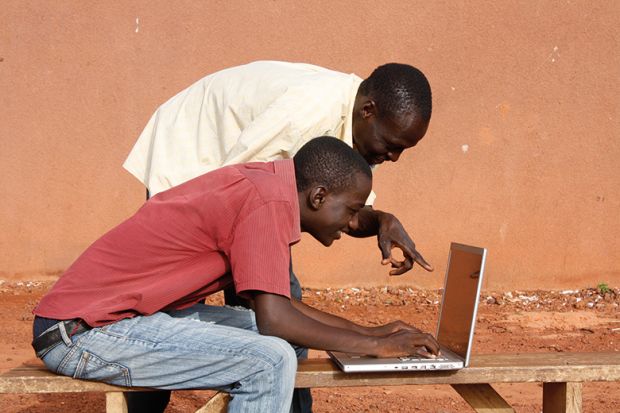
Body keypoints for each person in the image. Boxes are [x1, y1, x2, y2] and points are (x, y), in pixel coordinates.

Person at [32, 137, 440, 413]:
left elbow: (282, 312)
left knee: (282, 341)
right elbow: (276, 320)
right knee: (271, 358)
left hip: (126, 320)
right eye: (351, 210)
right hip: (81, 333)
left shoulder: (270, 191)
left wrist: (374, 334)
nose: (353, 223)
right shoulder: (265, 203)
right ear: (318, 196)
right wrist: (376, 348)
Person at [123, 60, 435, 412]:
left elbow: (343, 211)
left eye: (403, 150)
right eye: (392, 144)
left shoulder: (362, 128)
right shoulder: (307, 114)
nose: (394, 157)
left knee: (277, 306)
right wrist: (372, 341)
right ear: (368, 111)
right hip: (189, 163)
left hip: (236, 186)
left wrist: (380, 220)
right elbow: (237, 187)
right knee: (169, 311)